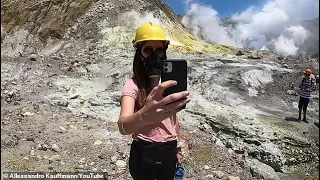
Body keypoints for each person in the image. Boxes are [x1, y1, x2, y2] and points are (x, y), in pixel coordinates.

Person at [117, 22, 190, 180]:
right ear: (139, 53)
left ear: (164, 52)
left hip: (169, 149)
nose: (154, 55)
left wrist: (177, 146)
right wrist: (143, 116)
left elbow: (173, 118)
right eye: (148, 49)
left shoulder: (168, 84)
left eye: (159, 49)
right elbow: (123, 127)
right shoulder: (133, 85)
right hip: (144, 150)